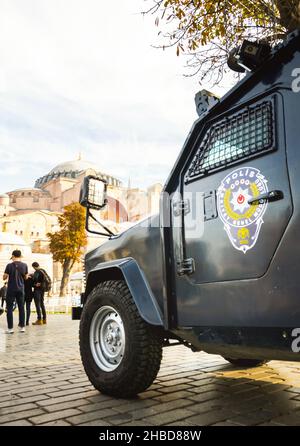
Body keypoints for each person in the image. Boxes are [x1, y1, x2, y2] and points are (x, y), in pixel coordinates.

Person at [3, 250, 28, 334]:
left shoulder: (9, 266)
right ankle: (22, 327)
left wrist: (6, 275)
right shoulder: (24, 265)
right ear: (20, 256)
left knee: (9, 308)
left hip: (11, 289)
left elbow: (4, 277)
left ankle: (10, 329)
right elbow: (26, 277)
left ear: (13, 256)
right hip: (21, 289)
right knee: (21, 308)